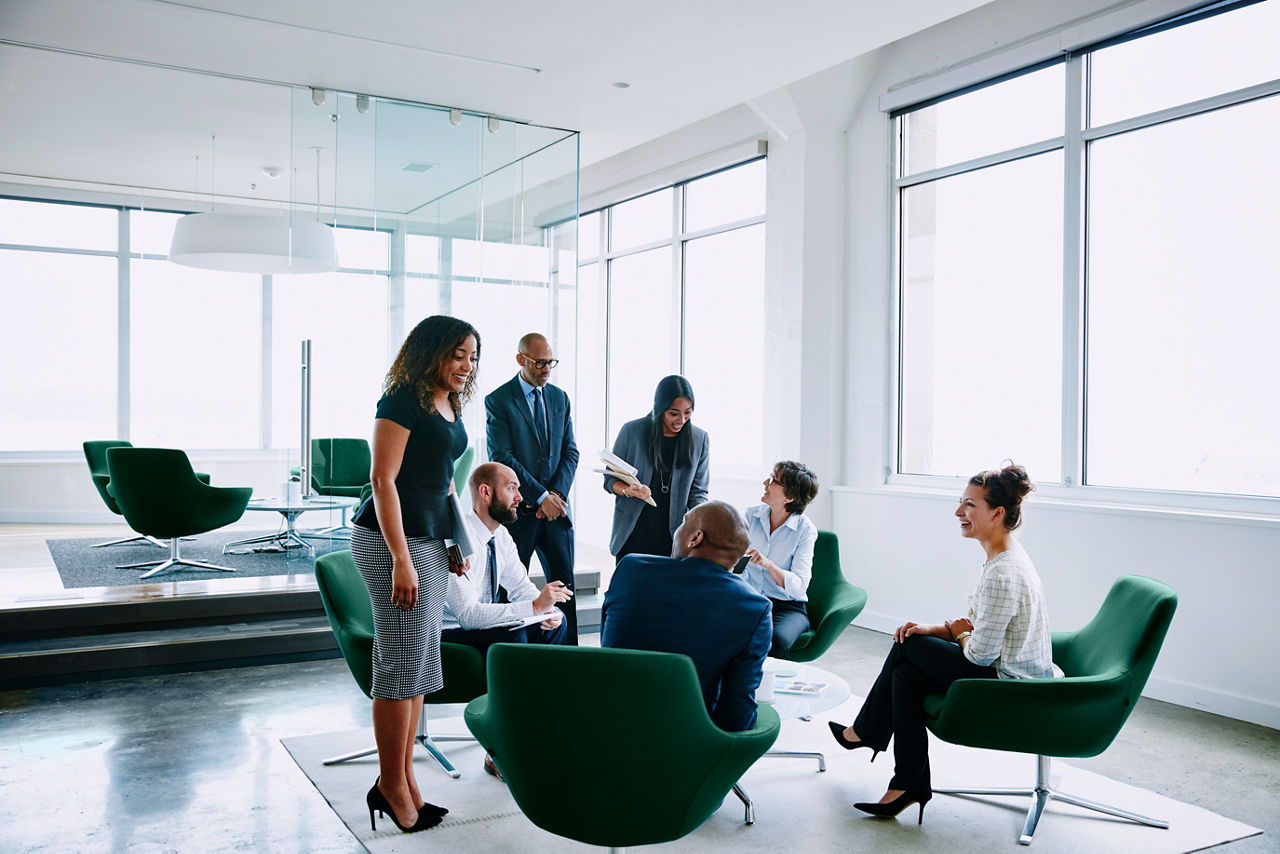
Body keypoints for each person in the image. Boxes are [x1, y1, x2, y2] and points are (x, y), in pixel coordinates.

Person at [828, 463, 1054, 825]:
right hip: (1003, 670)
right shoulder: (1005, 556)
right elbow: (979, 628)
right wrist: (939, 629)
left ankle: (866, 732)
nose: (958, 512)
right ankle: (908, 783)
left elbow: (980, 654)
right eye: (961, 502)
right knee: (905, 674)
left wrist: (959, 633)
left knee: (907, 647)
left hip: (1009, 686)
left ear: (996, 513)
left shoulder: (1003, 572)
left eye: (969, 505)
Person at [348, 315, 480, 834]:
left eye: (471, 356)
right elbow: (382, 480)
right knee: (400, 661)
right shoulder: (402, 400)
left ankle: (403, 779)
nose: (466, 366)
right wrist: (401, 557)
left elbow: (446, 482)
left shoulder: (450, 402)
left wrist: (456, 542)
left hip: (428, 539)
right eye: (456, 355)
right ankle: (391, 785)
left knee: (420, 660)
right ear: (431, 353)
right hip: (389, 542)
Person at [600, 501, 772, 732]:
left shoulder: (631, 569)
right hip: (686, 743)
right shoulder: (754, 608)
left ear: (695, 538)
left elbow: (607, 646)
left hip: (605, 724)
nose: (676, 531)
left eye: (683, 523)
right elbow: (736, 713)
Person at [484, 332, 581, 643]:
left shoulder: (559, 398)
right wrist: (540, 496)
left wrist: (555, 497)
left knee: (564, 589)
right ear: (520, 359)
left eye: (550, 362)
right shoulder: (498, 401)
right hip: (518, 514)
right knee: (509, 589)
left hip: (556, 512)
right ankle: (511, 660)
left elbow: (571, 452)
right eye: (539, 362)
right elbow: (503, 458)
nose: (546, 369)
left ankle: (568, 660)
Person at [442, 462, 573, 657]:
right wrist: (535, 607)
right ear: (485, 492)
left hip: (482, 625)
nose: (519, 498)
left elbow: (520, 588)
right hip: (451, 631)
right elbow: (467, 616)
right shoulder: (458, 539)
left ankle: (547, 688)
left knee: (555, 621)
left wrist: (547, 610)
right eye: (511, 488)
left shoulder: (501, 536)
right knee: (513, 637)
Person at [604, 374, 709, 562]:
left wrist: (702, 526)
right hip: (633, 533)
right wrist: (629, 491)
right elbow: (609, 480)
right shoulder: (631, 432)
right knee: (631, 590)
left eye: (688, 412)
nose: (681, 420)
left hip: (674, 537)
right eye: (674, 413)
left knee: (669, 591)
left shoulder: (700, 439)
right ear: (660, 408)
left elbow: (698, 492)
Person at [738, 461, 820, 658]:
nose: (766, 482)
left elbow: (799, 586)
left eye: (774, 481)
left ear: (790, 497)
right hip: (750, 600)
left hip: (787, 608)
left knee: (776, 639)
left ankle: (766, 687)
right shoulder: (750, 515)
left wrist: (767, 564)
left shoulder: (805, 531)